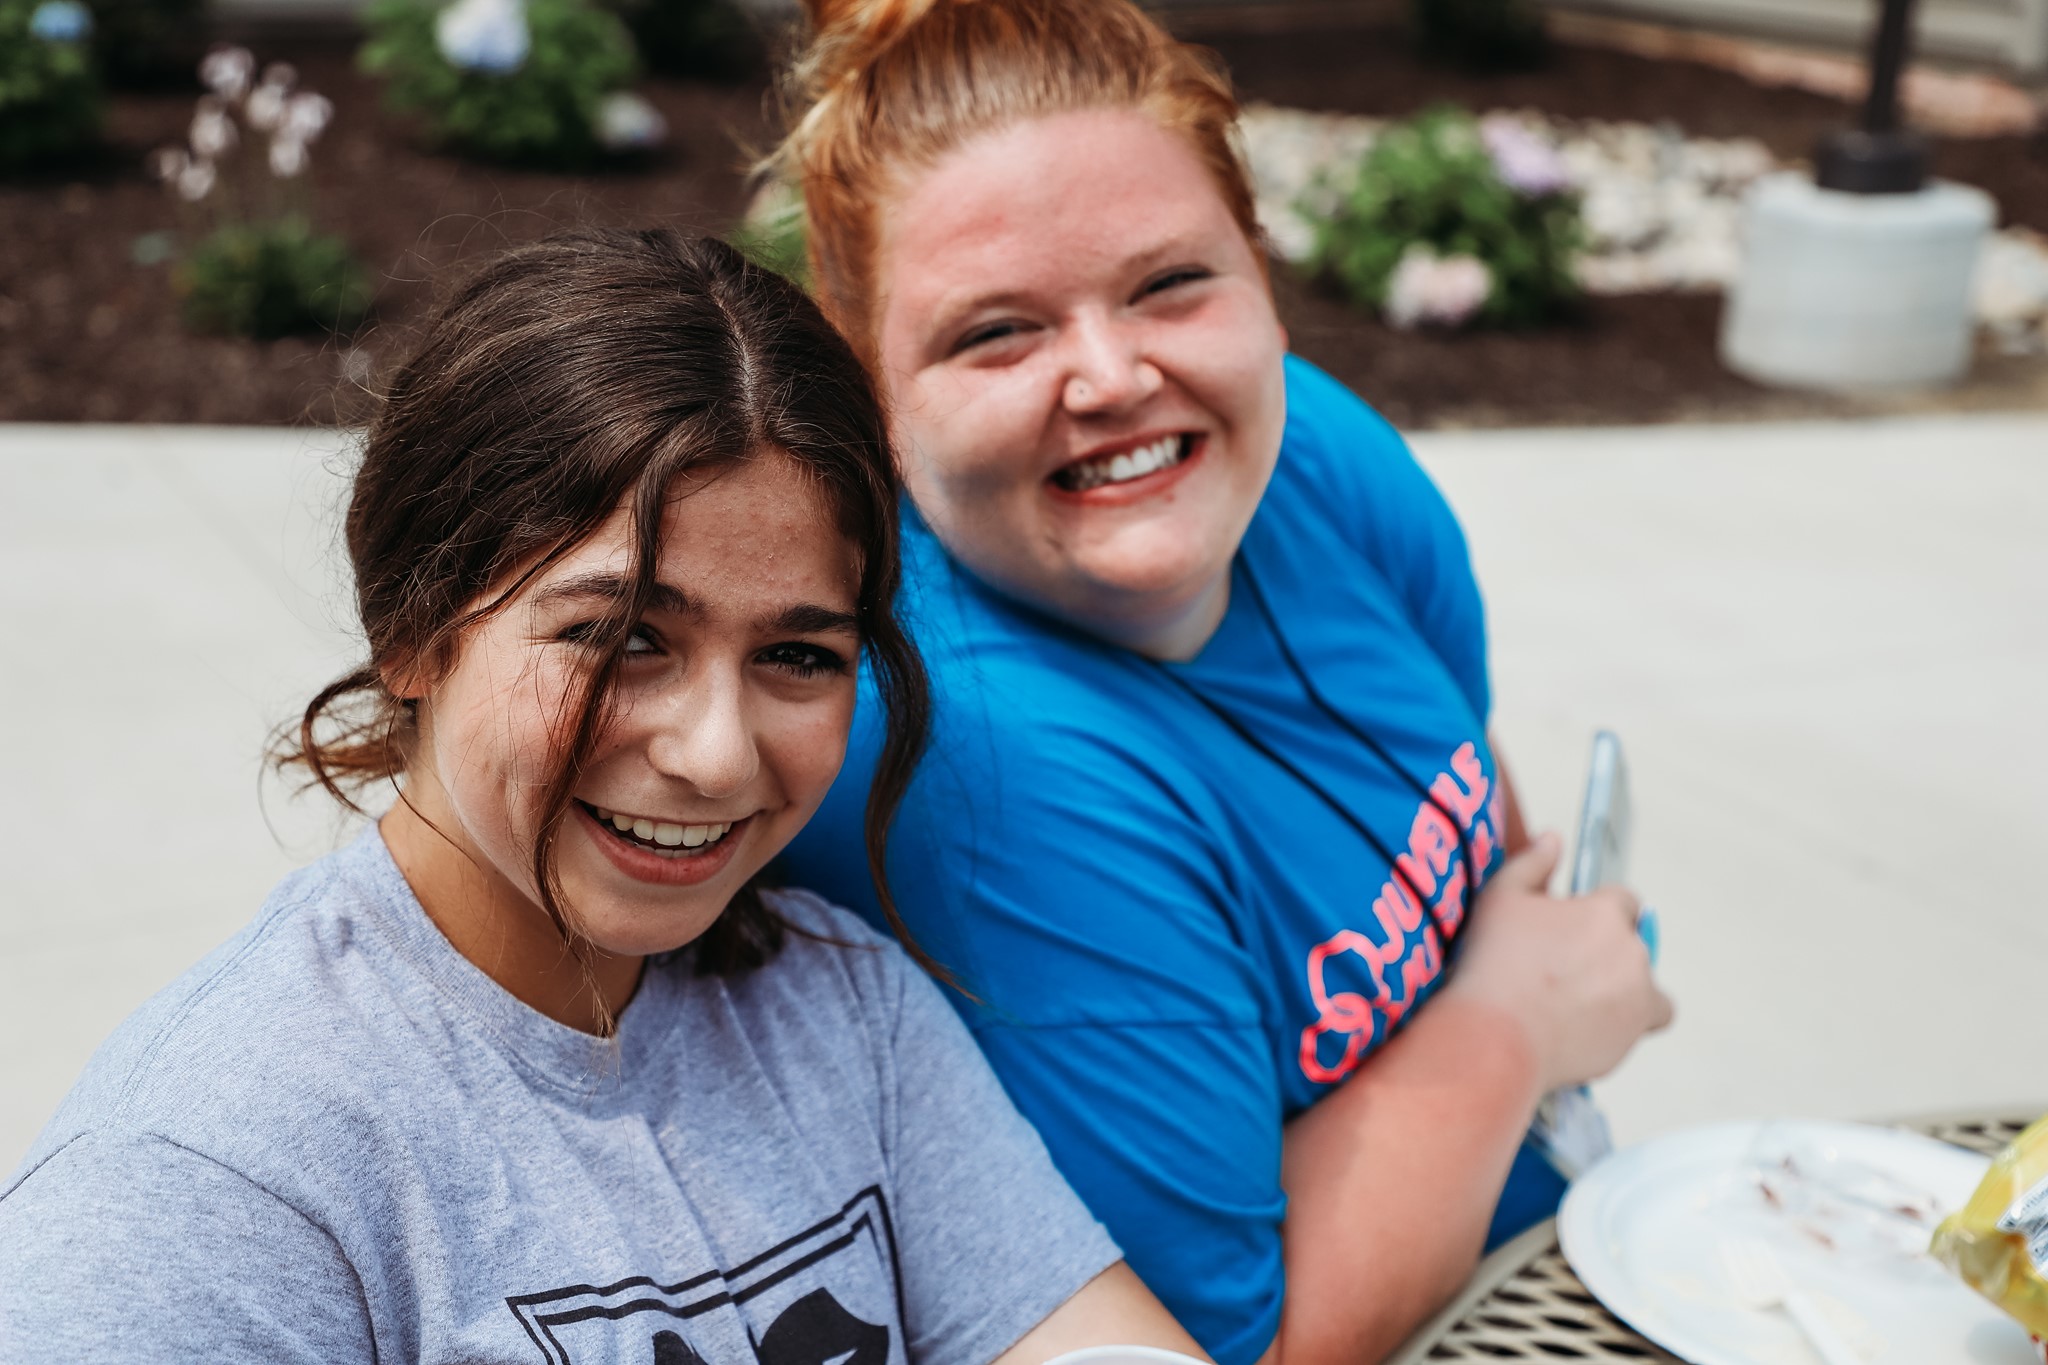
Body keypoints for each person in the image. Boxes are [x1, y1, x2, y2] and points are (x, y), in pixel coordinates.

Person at [0, 229, 1205, 1365]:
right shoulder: (212, 1176)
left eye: (797, 655)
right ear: (414, 630)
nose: (716, 755)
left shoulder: (845, 1011)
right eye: (622, 635)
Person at [769, 5, 1676, 1364]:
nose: (1116, 376)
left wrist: (1513, 998)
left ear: (1260, 267)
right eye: (997, 333)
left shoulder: (1312, 452)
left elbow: (1490, 847)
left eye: (1170, 284)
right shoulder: (985, 769)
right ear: (869, 386)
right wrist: (1510, 1026)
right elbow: (1240, 1340)